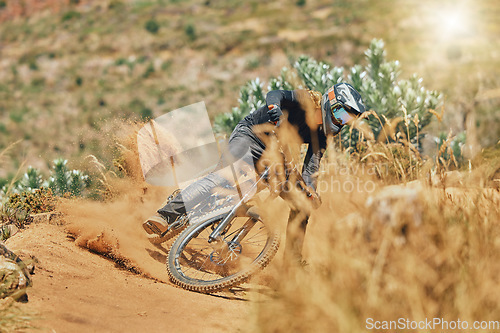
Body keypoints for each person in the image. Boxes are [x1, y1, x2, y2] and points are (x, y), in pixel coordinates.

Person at [143, 82, 366, 260]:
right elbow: (276, 94)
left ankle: (293, 263)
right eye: (341, 114)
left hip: (277, 156)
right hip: (251, 136)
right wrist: (275, 110)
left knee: (302, 204)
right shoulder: (306, 100)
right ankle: (166, 214)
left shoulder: (322, 135)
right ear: (330, 102)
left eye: (347, 119)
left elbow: (312, 166)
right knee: (225, 177)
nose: (342, 121)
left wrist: (311, 191)